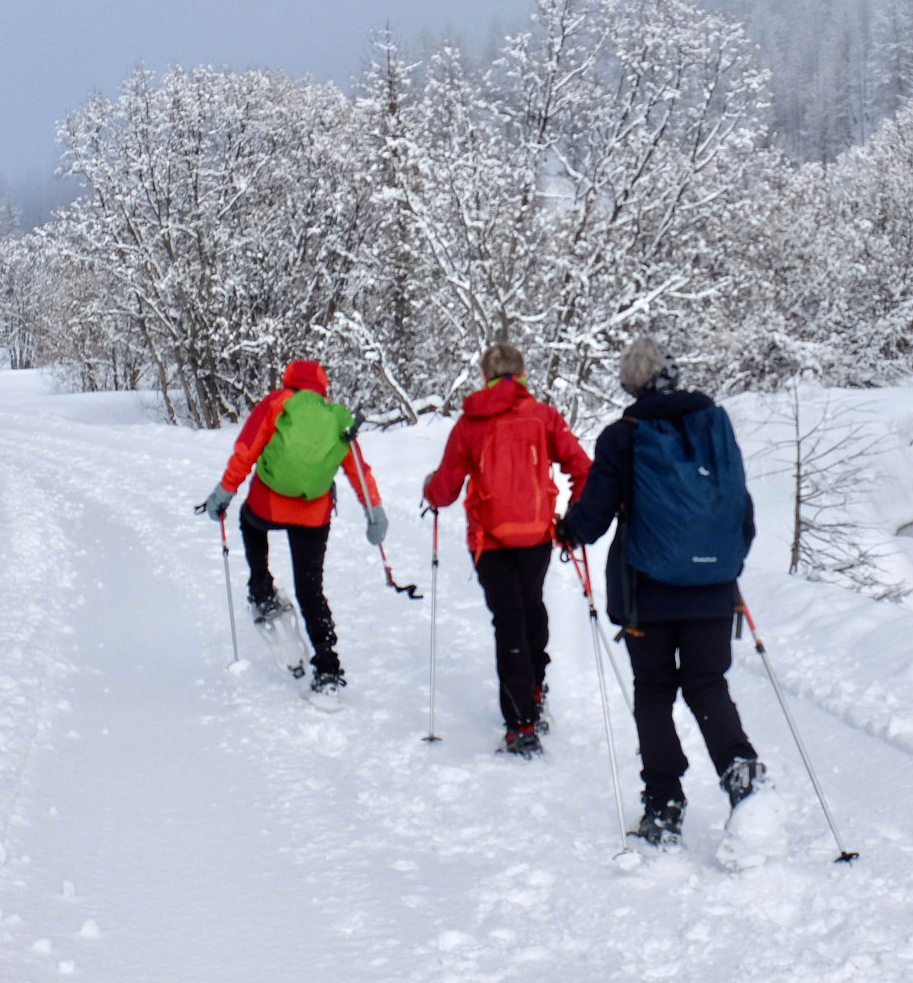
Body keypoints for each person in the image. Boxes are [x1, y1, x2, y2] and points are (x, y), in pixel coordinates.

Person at [557, 335, 763, 849]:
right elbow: (742, 510)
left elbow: (596, 514)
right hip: (714, 588)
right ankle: (742, 774)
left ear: (630, 382)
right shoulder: (714, 424)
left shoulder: (622, 436)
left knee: (653, 690)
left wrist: (568, 530)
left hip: (646, 590)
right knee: (707, 682)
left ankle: (665, 804)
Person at [423, 344, 591, 758]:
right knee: (531, 607)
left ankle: (522, 724)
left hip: (490, 540)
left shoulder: (470, 422)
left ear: (485, 376)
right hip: (536, 535)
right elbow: (582, 467)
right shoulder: (544, 416)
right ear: (523, 374)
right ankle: (534, 688)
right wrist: (574, 518)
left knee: (509, 619)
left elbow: (444, 489)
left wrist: (429, 488)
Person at [204, 359, 385, 694]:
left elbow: (246, 452)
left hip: (267, 504)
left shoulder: (276, 404)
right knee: (310, 588)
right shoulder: (335, 418)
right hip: (313, 515)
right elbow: (358, 469)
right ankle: (327, 664)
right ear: (322, 386)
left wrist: (223, 493)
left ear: (289, 380)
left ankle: (261, 587)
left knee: (249, 523)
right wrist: (374, 513)